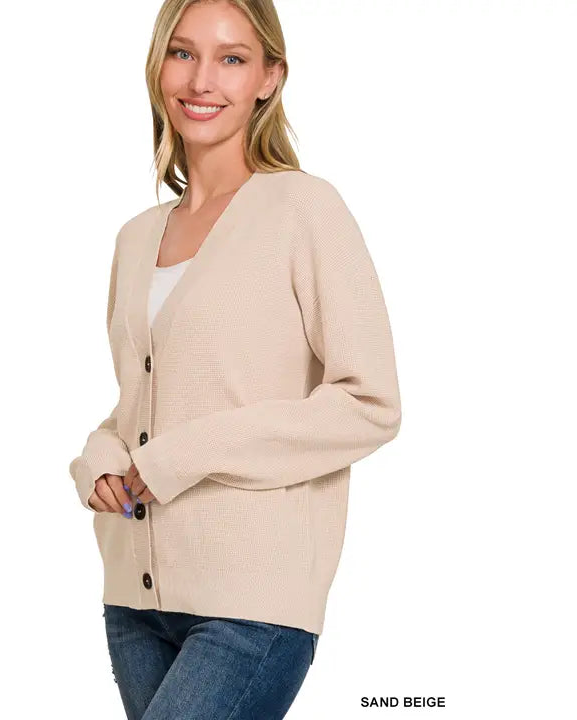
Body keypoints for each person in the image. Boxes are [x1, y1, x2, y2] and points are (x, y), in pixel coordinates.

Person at [68, 1, 402, 717]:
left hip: (252, 601)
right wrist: (99, 458)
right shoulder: (136, 237)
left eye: (232, 58)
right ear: (158, 66)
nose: (202, 80)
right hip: (133, 600)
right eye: (183, 53)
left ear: (269, 78)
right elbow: (144, 404)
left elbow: (370, 403)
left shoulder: (304, 210)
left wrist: (184, 455)